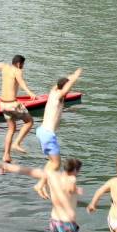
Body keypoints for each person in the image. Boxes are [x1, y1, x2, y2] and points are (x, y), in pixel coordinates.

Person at [33, 66, 83, 195]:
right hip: (48, 135)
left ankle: (41, 184)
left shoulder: (53, 91)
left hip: (41, 132)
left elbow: (64, 83)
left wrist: (71, 76)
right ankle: (40, 184)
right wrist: (76, 76)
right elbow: (67, 86)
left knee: (52, 162)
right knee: (57, 164)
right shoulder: (59, 96)